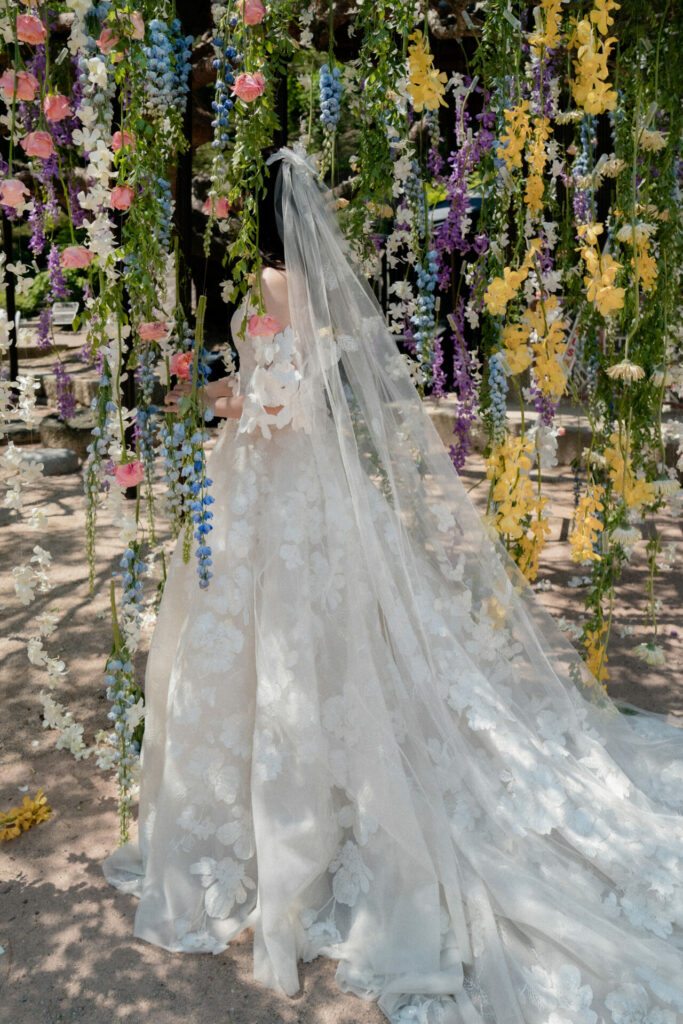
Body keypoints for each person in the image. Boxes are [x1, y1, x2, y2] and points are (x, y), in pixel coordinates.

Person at [103, 146, 683, 1024]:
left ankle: (287, 833)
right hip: (310, 488)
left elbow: (279, 402)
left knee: (270, 638)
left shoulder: (268, 281)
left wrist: (205, 397)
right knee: (326, 642)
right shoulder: (314, 282)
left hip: (268, 480)